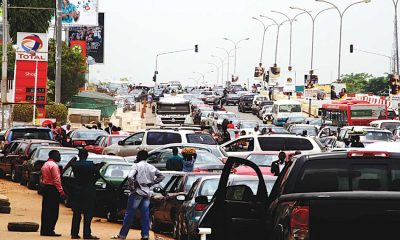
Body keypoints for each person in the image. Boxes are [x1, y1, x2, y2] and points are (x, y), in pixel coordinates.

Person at [112, 151, 165, 240]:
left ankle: (122, 235)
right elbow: (161, 176)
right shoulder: (151, 167)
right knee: (145, 214)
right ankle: (145, 235)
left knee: (129, 214)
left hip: (137, 192)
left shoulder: (136, 166)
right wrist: (152, 183)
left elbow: (130, 176)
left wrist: (132, 187)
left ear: (138, 157)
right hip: (146, 192)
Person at [68, 149, 105, 239]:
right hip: (88, 190)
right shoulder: (91, 165)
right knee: (88, 213)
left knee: (76, 213)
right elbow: (97, 175)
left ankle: (74, 233)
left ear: (79, 155)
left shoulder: (74, 164)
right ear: (87, 155)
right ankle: (86, 233)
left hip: (77, 190)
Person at [40, 150, 65, 237]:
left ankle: (44, 230)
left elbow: (42, 178)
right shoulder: (54, 166)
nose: (60, 157)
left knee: (46, 210)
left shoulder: (45, 164)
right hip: (53, 189)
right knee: (53, 211)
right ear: (54, 156)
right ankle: (50, 230)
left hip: (46, 188)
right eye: (58, 155)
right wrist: (61, 191)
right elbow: (56, 180)